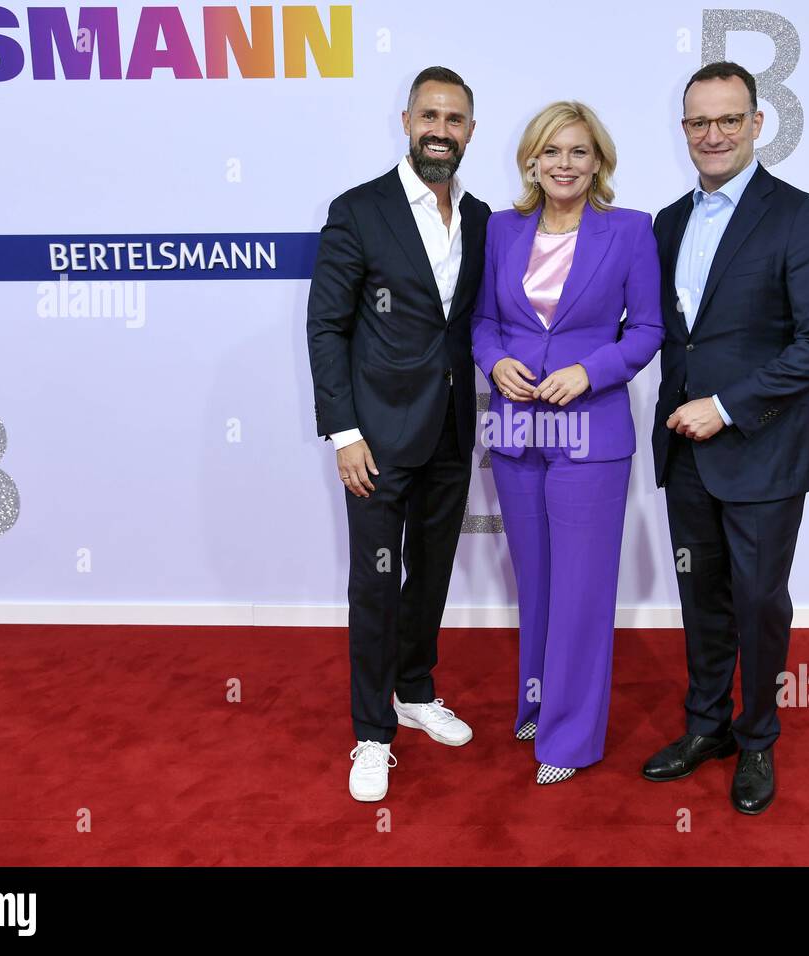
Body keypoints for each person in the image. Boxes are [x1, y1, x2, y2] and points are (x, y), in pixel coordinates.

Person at [643, 62, 809, 814]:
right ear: (684, 131)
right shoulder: (665, 222)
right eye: (699, 122)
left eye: (729, 119)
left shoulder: (801, 217)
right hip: (685, 449)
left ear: (758, 124)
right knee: (702, 601)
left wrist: (726, 405)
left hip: (762, 448)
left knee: (760, 602)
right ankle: (708, 729)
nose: (714, 134)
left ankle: (757, 738)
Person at [306, 66, 492, 802]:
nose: (440, 131)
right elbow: (327, 327)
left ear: (470, 132)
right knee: (376, 585)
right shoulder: (359, 210)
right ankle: (371, 734)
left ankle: (415, 692)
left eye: (455, 120)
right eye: (429, 116)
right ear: (407, 121)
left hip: (450, 431)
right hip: (376, 439)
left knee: (432, 574)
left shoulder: (479, 217)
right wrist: (343, 432)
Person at [472, 101, 663, 785]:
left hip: (592, 429)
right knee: (538, 580)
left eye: (579, 152)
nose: (564, 164)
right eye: (552, 151)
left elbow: (646, 330)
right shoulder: (501, 229)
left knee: (582, 588)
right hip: (517, 427)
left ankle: (570, 738)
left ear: (598, 162)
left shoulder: (630, 231)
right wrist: (493, 362)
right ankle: (537, 697)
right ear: (531, 159)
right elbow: (484, 321)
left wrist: (590, 370)